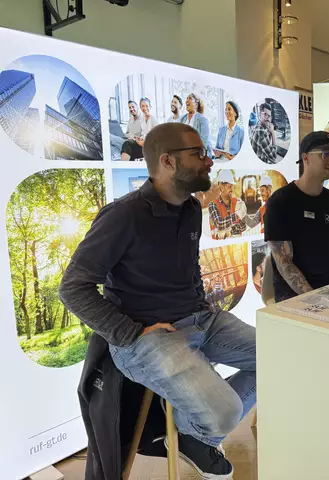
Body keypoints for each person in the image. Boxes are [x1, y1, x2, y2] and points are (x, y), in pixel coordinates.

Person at [59, 123, 255, 479]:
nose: (209, 161)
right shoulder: (123, 215)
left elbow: (188, 267)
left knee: (282, 359)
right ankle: (199, 432)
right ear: (167, 161)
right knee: (226, 413)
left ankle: (194, 434)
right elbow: (73, 287)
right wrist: (131, 333)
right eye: (198, 153)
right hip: (147, 338)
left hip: (200, 320)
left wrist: (200, 302)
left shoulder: (191, 209)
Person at [264, 131, 329, 302]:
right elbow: (285, 263)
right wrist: (317, 299)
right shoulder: (281, 202)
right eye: (325, 154)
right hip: (293, 297)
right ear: (305, 158)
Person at [208, 170, 248, 239]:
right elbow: (219, 223)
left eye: (232, 186)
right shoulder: (212, 205)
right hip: (220, 245)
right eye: (230, 187)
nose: (232, 189)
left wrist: (229, 231)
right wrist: (237, 215)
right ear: (221, 188)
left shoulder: (237, 202)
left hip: (237, 244)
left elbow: (243, 226)